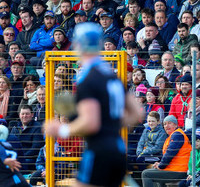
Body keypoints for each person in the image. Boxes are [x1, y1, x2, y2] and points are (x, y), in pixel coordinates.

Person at [44, 22, 143, 187]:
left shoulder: (87, 79)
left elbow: (90, 123)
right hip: (118, 149)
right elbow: (136, 114)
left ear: (78, 45)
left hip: (98, 151)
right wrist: (110, 124)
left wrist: (61, 129)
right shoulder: (111, 76)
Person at [141, 115, 192, 187]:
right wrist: (160, 164)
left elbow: (170, 154)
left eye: (169, 123)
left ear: (175, 124)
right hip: (174, 168)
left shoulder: (177, 135)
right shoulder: (173, 135)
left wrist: (161, 165)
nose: (166, 126)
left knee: (146, 174)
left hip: (179, 170)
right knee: (154, 170)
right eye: (164, 124)